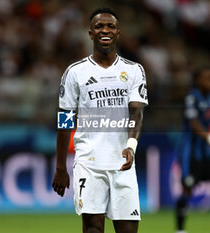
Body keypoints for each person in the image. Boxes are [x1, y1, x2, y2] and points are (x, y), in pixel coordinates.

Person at [52, 8, 148, 233]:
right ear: (90, 34)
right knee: (93, 228)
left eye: (110, 26)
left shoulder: (133, 70)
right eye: (99, 27)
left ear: (118, 33)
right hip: (89, 163)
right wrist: (60, 166)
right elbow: (65, 121)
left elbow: (137, 113)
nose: (105, 30)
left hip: (123, 163)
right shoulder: (75, 72)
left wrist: (131, 147)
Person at [175, 66, 210, 233]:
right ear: (198, 80)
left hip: (206, 153)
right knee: (187, 190)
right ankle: (180, 230)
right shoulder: (192, 98)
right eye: (208, 79)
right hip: (190, 153)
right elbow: (194, 124)